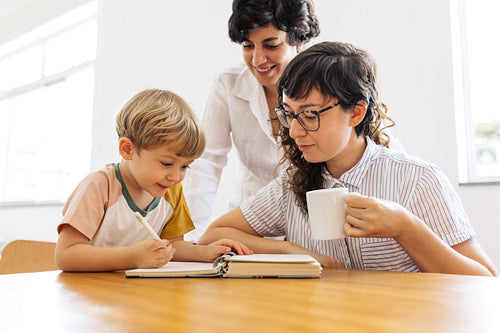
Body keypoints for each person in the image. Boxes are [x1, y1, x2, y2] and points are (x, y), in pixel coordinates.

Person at [199, 42, 498, 276]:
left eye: (310, 115)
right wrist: (290, 250)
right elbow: (213, 234)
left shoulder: (417, 180)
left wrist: (407, 228)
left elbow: (483, 281)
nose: (295, 131)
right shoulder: (291, 186)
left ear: (356, 112)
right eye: (289, 114)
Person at [55, 89, 252, 272]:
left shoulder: (171, 191)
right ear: (128, 149)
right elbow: (66, 255)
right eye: (167, 163)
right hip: (88, 296)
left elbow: (172, 246)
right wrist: (132, 257)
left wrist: (204, 252)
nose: (176, 177)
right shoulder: (98, 186)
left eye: (185, 166)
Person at [182, 0, 320, 241]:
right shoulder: (228, 83)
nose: (257, 59)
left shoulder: (326, 86)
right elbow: (207, 162)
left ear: (297, 40)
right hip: (249, 226)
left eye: (271, 45)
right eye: (248, 46)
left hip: (311, 227)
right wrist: (192, 237)